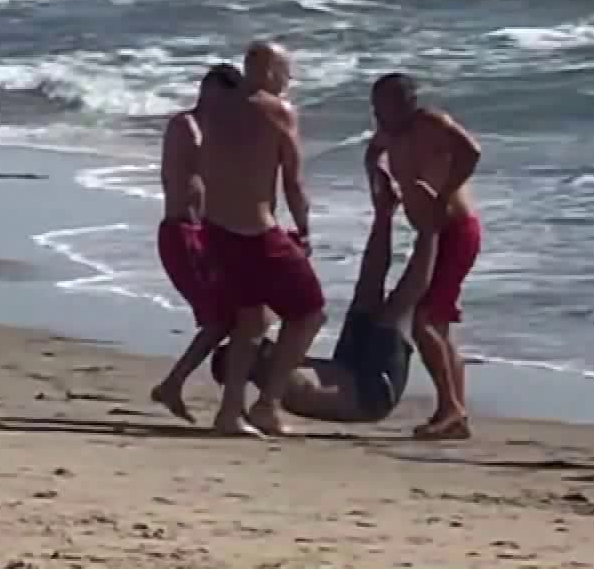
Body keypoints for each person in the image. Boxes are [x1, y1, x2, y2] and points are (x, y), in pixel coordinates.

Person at [198, 41, 326, 438]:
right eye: (286, 72)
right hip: (256, 231)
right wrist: (303, 227)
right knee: (309, 312)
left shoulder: (215, 110)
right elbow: (293, 179)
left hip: (217, 228)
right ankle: (267, 403)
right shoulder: (277, 111)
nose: (288, 81)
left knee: (250, 320)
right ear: (271, 72)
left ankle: (230, 412)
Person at [209, 187, 415, 423]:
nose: (267, 345)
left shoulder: (276, 371)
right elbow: (305, 352)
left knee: (366, 288)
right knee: (401, 301)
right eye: (260, 351)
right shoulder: (286, 387)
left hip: (348, 367)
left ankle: (384, 212)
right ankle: (432, 233)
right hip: (375, 393)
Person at [365, 72, 483, 440]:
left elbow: (471, 151)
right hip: (432, 234)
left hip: (456, 229)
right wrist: (379, 182)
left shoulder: (429, 123)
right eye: (375, 107)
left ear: (406, 103)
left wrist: (443, 193)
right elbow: (372, 152)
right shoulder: (390, 133)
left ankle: (452, 409)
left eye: (385, 106)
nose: (379, 115)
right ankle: (455, 414)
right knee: (439, 324)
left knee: (425, 320)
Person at [147, 63, 243, 424]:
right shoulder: (186, 126)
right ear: (208, 90)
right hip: (181, 231)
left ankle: (212, 391)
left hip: (205, 233)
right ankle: (173, 384)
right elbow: (201, 168)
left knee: (234, 315)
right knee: (219, 319)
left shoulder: (215, 130)